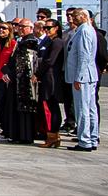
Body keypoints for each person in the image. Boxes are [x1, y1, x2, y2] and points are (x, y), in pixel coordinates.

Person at [65, 9, 99, 152]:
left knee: (83, 109)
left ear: (84, 17)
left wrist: (79, 77)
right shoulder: (86, 30)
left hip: (83, 77)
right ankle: (92, 137)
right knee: (90, 108)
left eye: (76, 16)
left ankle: (85, 140)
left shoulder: (84, 31)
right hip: (88, 75)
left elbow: (84, 56)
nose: (73, 18)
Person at [1, 19, 38, 144]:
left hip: (25, 82)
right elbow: (13, 60)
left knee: (25, 110)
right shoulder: (20, 41)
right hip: (16, 80)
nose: (20, 28)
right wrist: (6, 70)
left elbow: (24, 63)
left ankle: (25, 136)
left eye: (23, 26)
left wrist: (10, 72)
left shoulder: (30, 42)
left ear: (30, 28)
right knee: (15, 108)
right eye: (18, 26)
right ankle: (16, 134)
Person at [36, 19, 65, 148]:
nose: (46, 30)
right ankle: (53, 135)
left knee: (50, 108)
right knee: (50, 107)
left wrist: (37, 74)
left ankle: (52, 135)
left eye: (49, 28)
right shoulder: (49, 41)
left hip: (51, 78)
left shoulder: (57, 42)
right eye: (45, 28)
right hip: (48, 77)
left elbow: (49, 61)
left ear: (56, 28)